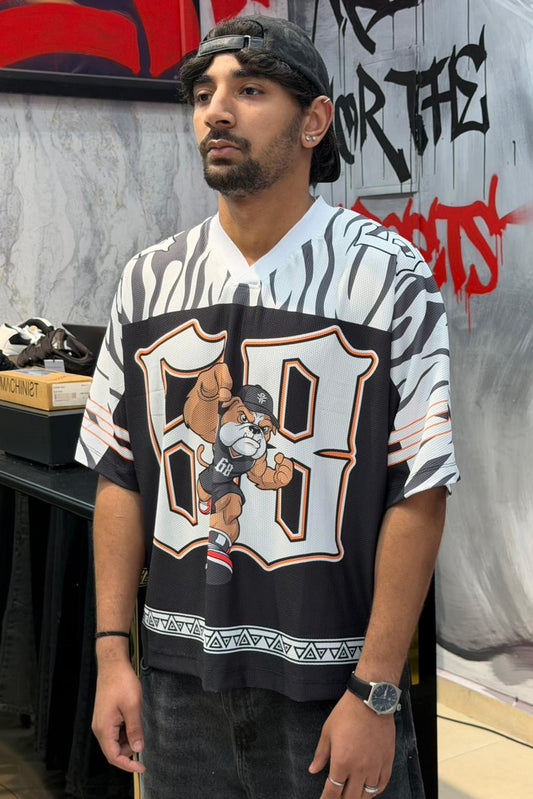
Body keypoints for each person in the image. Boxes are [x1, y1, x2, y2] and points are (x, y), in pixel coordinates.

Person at [76, 15, 459, 799]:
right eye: (203, 94)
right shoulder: (147, 280)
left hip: (331, 682)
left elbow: (418, 488)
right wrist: (113, 654)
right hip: (179, 678)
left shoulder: (389, 276)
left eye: (249, 90)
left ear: (313, 121)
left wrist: (375, 689)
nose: (216, 111)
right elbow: (119, 477)